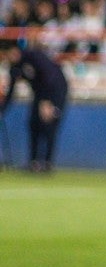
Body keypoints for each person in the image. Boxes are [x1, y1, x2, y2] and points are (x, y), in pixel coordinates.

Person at [0, 42, 69, 173]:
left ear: (13, 51)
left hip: (55, 91)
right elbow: (11, 92)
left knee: (49, 125)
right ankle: (34, 162)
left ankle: (47, 163)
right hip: (39, 93)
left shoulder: (34, 56)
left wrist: (47, 102)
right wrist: (2, 109)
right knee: (33, 123)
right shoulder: (15, 67)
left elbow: (51, 76)